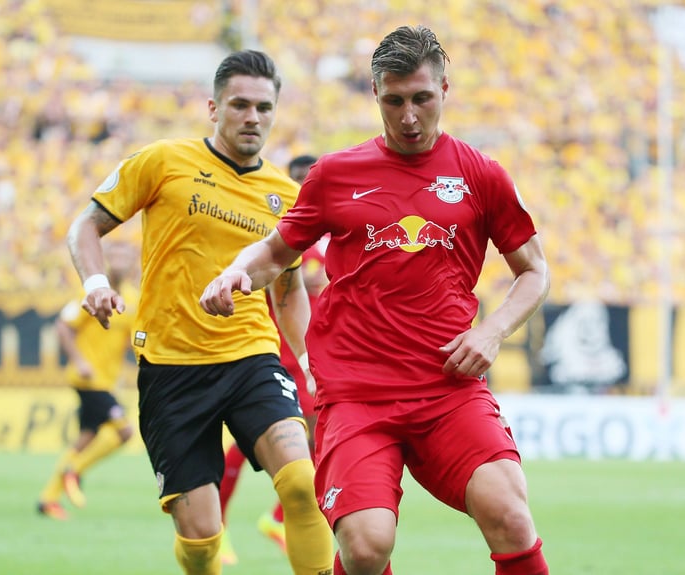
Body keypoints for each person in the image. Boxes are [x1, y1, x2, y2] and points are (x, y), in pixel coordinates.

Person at [201, 25, 550, 575]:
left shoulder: (481, 175)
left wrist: (492, 330)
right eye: (394, 101)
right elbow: (274, 251)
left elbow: (533, 271)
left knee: (510, 514)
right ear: (375, 95)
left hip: (448, 389)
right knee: (365, 547)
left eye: (421, 99)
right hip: (359, 393)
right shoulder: (335, 174)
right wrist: (235, 273)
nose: (409, 116)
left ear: (444, 90)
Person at [65, 50, 333, 575]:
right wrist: (95, 282)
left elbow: (289, 289)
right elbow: (85, 227)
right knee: (203, 538)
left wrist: (308, 361)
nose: (252, 117)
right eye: (239, 105)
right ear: (214, 108)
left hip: (251, 358)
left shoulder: (286, 194)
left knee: (303, 482)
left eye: (263, 106)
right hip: (172, 370)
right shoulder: (162, 161)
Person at [218, 154, 326, 564]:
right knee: (259, 438)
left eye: (308, 180)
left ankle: (279, 517)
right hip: (277, 350)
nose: (302, 188)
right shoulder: (278, 231)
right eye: (296, 180)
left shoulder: (331, 237)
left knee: (316, 437)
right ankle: (222, 525)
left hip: (314, 353)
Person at [37, 241, 138, 520]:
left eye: (125, 254)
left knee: (85, 438)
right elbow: (63, 325)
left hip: (106, 381)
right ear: (106, 259)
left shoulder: (132, 300)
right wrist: (79, 361)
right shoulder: (92, 291)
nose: (119, 259)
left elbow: (133, 341)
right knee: (124, 431)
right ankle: (75, 470)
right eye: (115, 252)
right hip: (87, 379)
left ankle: (48, 498)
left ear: (133, 263)